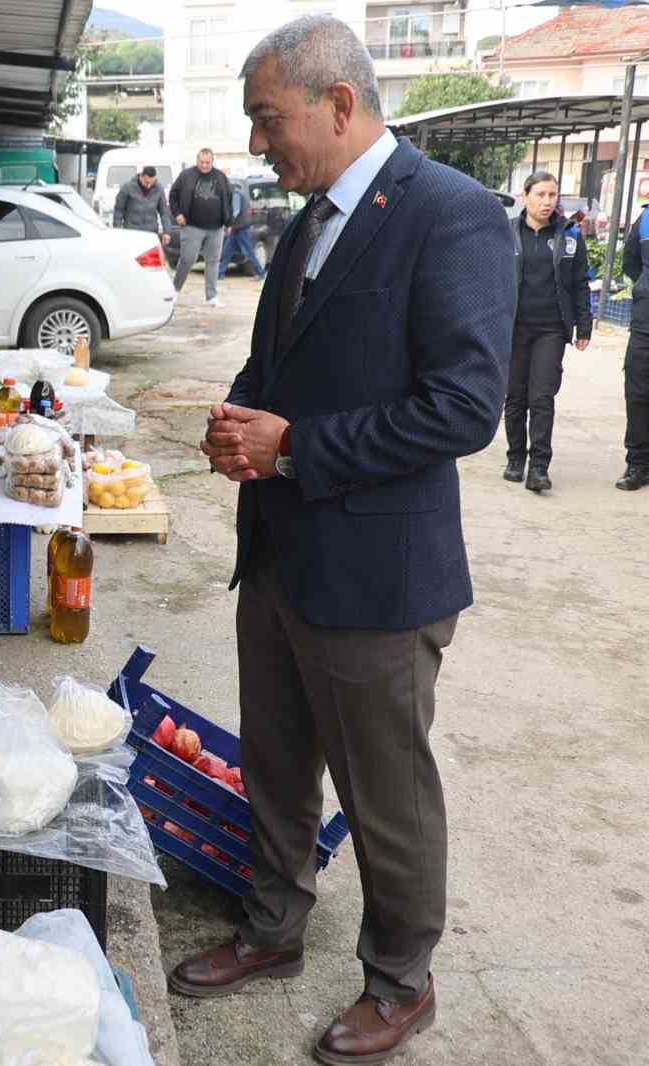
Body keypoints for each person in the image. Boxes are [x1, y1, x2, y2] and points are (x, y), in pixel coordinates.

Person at [189, 17, 513, 1066]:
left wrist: (293, 450)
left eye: (266, 118)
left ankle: (399, 978)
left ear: (338, 103)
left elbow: (463, 409)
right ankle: (274, 927)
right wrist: (240, 421)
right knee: (276, 761)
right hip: (280, 557)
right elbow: (274, 365)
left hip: (378, 574)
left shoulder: (451, 215)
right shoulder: (304, 221)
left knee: (387, 794)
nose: (256, 144)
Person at [502, 170, 592, 493]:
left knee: (542, 397)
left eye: (552, 195)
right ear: (524, 196)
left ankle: (539, 466)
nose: (547, 201)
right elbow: (491, 278)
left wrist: (585, 323)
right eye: (540, 194)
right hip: (513, 327)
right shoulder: (507, 232)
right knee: (515, 397)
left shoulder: (569, 235)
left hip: (551, 328)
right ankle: (515, 458)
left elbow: (580, 282)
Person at [169, 148, 235, 306]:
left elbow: (228, 198)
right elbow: (173, 195)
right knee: (187, 259)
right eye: (201, 162)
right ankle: (174, 290)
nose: (204, 165)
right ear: (197, 160)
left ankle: (211, 296)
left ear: (212, 162)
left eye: (207, 162)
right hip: (192, 226)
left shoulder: (220, 177)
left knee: (213, 261)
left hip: (216, 228)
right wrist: (177, 214)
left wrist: (229, 222)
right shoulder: (187, 175)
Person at [617, 203, 649, 491]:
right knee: (637, 394)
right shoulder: (646, 218)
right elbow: (630, 261)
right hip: (644, 324)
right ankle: (637, 464)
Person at [218, 178, 267, 282]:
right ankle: (220, 273)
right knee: (227, 250)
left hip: (241, 228)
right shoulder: (236, 193)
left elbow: (235, 211)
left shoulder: (236, 195)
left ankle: (261, 273)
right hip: (237, 228)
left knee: (249, 252)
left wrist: (229, 225)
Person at [113, 165, 175, 247]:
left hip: (151, 233)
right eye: (146, 182)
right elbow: (119, 210)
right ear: (141, 177)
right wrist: (117, 231)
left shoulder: (159, 188)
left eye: (152, 182)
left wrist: (167, 232)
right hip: (132, 233)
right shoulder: (127, 187)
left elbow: (164, 212)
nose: (149, 185)